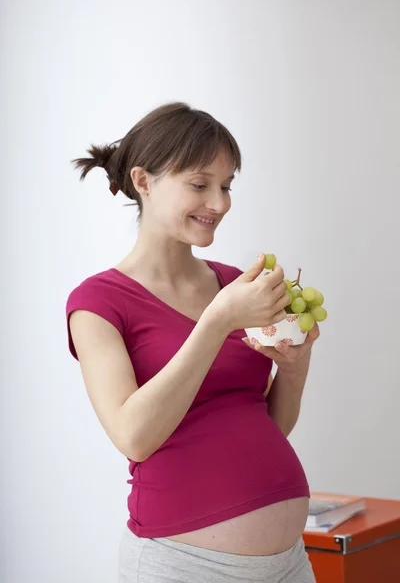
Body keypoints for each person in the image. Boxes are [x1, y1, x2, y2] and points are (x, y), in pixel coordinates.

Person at [66, 102, 318, 582]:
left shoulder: (235, 285)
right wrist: (217, 322)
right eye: (200, 185)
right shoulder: (97, 302)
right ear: (143, 181)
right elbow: (134, 436)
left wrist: (294, 365)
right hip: (184, 567)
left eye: (226, 186)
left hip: (289, 564)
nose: (219, 203)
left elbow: (267, 426)